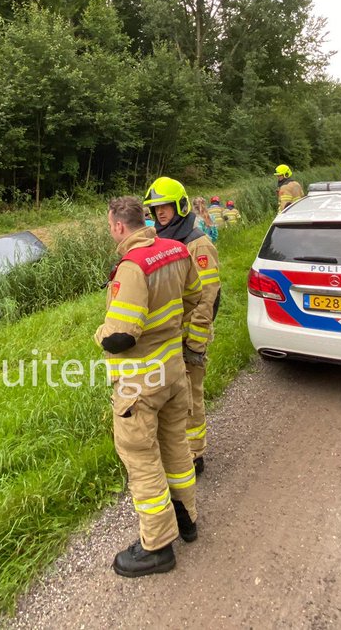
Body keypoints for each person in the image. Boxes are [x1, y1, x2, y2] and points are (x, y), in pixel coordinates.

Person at [99, 195, 203, 577]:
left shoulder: (132, 267)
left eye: (109, 225)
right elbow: (195, 297)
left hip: (140, 385)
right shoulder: (176, 250)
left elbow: (121, 335)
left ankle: (157, 546)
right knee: (176, 447)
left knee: (141, 460)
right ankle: (187, 519)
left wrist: (99, 333)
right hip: (174, 374)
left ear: (118, 226)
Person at [144, 177, 220, 476]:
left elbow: (207, 298)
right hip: (169, 336)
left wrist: (195, 341)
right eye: (155, 208)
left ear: (180, 206)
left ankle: (195, 453)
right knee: (174, 400)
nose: (160, 213)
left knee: (191, 397)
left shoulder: (197, 243)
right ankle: (175, 450)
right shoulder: (163, 240)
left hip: (190, 336)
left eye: (165, 207)